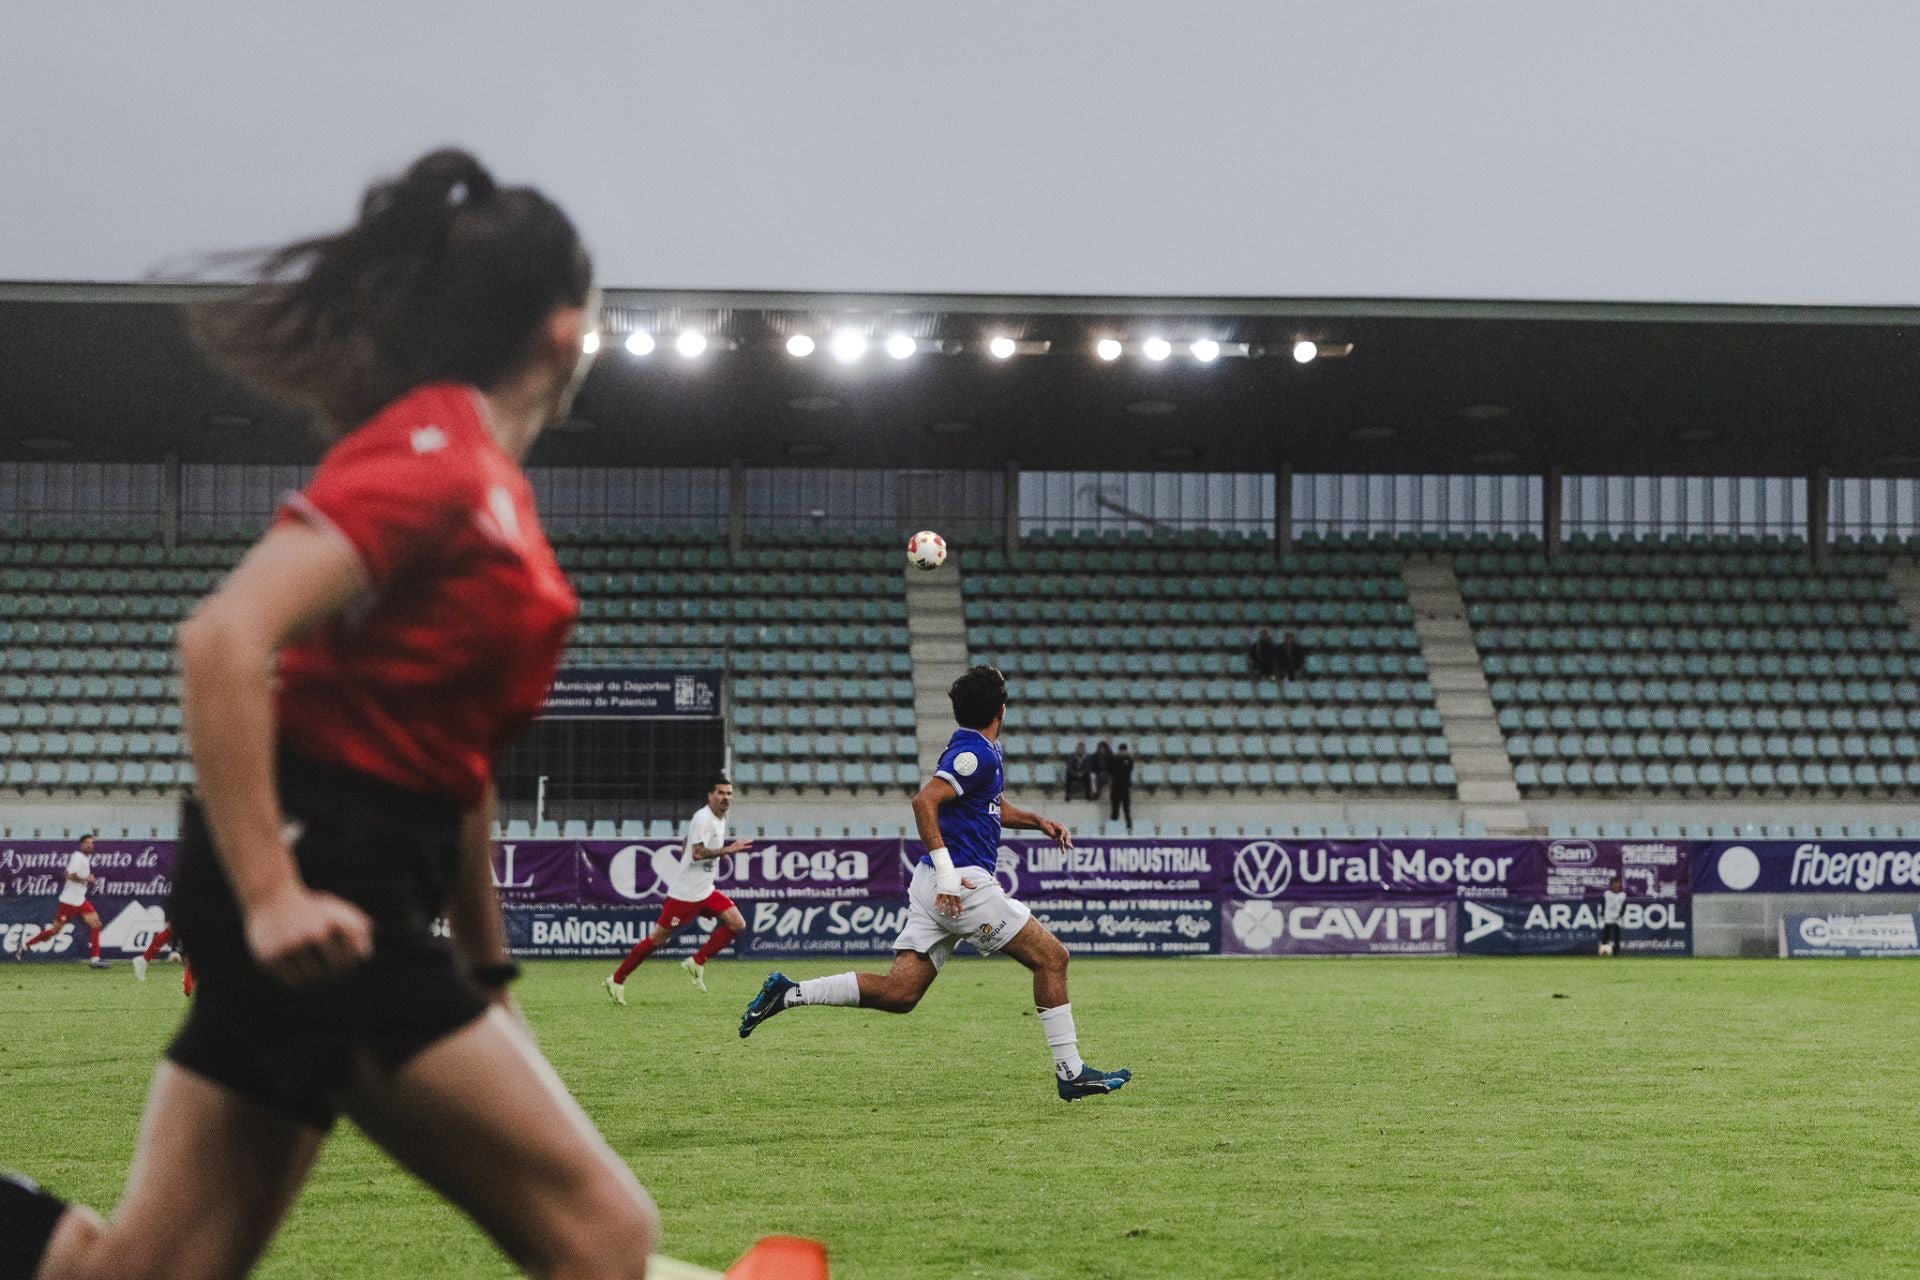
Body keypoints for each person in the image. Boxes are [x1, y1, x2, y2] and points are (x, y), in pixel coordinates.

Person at [0, 149, 663, 1280]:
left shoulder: (495, 493)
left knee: (143, 1270)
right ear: (565, 331)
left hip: (366, 886)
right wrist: (270, 895)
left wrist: (490, 977)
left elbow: (458, 766)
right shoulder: (436, 458)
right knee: (607, 1234)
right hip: (322, 889)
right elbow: (222, 640)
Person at [738, 666, 1131, 1102]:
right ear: (1002, 709)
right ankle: (1071, 1073)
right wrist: (949, 875)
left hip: (935, 882)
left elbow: (988, 805)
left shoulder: (978, 748)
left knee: (901, 992)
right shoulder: (975, 754)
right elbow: (924, 801)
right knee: (1052, 958)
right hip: (959, 883)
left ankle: (788, 993)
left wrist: (1037, 821)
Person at [604, 777, 753, 1002]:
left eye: (729, 794)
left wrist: (690, 851)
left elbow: (688, 842)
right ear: (710, 796)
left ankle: (696, 962)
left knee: (737, 923)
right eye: (721, 793)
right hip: (685, 894)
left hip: (705, 890)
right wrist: (729, 849)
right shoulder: (704, 818)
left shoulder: (718, 818)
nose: (725, 798)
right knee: (657, 940)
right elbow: (698, 853)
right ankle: (616, 979)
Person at [12, 833, 110, 969]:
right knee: (54, 931)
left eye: (92, 843)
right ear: (81, 845)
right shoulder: (78, 857)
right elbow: (68, 875)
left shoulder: (84, 858)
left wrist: (85, 879)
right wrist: (87, 879)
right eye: (87, 842)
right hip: (69, 901)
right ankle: (23, 946)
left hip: (80, 900)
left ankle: (95, 959)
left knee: (96, 924)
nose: (90, 845)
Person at [1109, 744, 1135, 832]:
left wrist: (1122, 767)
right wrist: (1122, 767)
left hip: (1125, 788)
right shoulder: (1114, 759)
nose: (1122, 752)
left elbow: (1128, 770)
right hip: (1115, 788)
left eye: (1124, 750)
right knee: (1114, 810)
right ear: (1119, 751)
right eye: (1121, 750)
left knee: (1126, 810)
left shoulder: (1129, 760)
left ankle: (1129, 828)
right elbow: (1114, 771)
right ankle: (1113, 829)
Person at [1599, 875, 1626, 957]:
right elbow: (1603, 904)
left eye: (1618, 883)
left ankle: (1616, 954)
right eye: (1614, 883)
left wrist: (1621, 915)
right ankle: (1604, 953)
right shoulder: (1607, 894)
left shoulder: (1622, 895)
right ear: (1611, 885)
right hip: (1608, 917)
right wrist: (1602, 914)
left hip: (1617, 918)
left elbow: (1624, 906)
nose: (1616, 885)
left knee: (1616, 936)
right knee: (1605, 936)